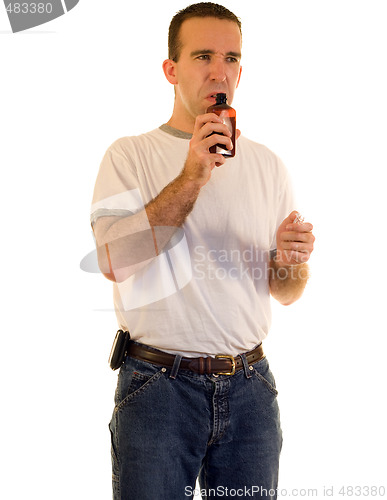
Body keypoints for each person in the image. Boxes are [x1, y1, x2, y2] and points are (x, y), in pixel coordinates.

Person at [90, 2, 315, 499]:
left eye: (232, 58)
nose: (221, 72)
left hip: (251, 390)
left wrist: (291, 262)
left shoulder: (267, 164)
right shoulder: (129, 155)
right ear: (171, 69)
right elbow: (114, 262)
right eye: (203, 56)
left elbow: (287, 292)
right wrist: (192, 173)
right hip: (157, 390)